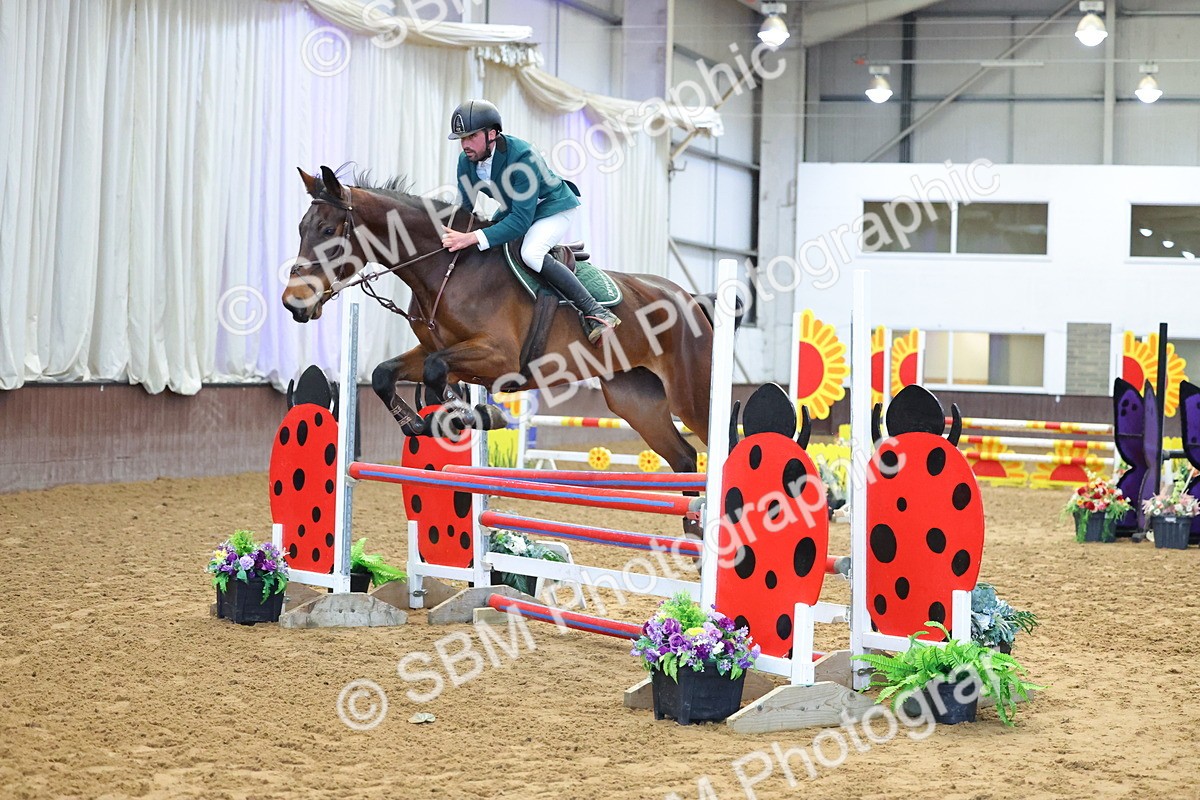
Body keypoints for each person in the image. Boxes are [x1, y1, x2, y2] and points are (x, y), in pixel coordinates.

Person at [440, 99, 620, 345]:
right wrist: (451, 235)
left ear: (491, 134)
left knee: (531, 253)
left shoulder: (523, 157)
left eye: (471, 137)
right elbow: (466, 210)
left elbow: (520, 222)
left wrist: (472, 238)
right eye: (461, 138)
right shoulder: (466, 161)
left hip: (553, 207)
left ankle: (596, 311)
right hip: (518, 209)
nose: (465, 145)